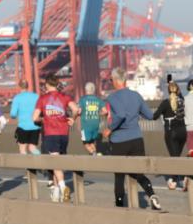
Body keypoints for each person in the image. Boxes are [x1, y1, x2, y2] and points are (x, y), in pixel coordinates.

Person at [103, 68, 161, 210]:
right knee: (139, 172)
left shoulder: (112, 97)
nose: (111, 83)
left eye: (111, 80)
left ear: (116, 81)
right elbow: (149, 116)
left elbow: (121, 115)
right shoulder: (136, 95)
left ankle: (119, 205)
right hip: (136, 139)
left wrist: (109, 128)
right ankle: (152, 195)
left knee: (119, 176)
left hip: (119, 142)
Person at [32, 74, 79, 203]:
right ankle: (57, 191)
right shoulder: (65, 97)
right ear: (57, 84)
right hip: (64, 133)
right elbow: (76, 109)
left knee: (55, 162)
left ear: (47, 84)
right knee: (58, 162)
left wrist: (43, 119)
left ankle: (63, 187)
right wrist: (72, 119)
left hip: (50, 133)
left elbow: (34, 118)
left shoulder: (43, 98)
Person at [153, 79, 187, 190]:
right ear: (178, 90)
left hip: (171, 133)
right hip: (183, 133)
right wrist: (173, 84)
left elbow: (154, 116)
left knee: (174, 158)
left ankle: (174, 180)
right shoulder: (182, 100)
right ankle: (180, 178)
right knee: (177, 157)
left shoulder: (165, 103)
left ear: (168, 91)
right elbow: (180, 95)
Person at [9, 81, 41, 155]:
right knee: (32, 148)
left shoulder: (17, 98)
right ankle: (39, 161)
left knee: (22, 149)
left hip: (23, 127)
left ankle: (27, 165)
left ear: (19, 87)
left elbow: (13, 114)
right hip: (35, 126)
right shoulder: (36, 96)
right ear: (28, 86)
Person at [78, 81, 105, 155]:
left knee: (85, 142)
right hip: (96, 125)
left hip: (85, 126)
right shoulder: (98, 99)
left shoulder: (82, 99)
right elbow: (105, 111)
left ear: (86, 90)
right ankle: (95, 156)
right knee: (92, 142)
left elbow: (79, 111)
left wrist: (77, 114)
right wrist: (98, 113)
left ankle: (93, 153)